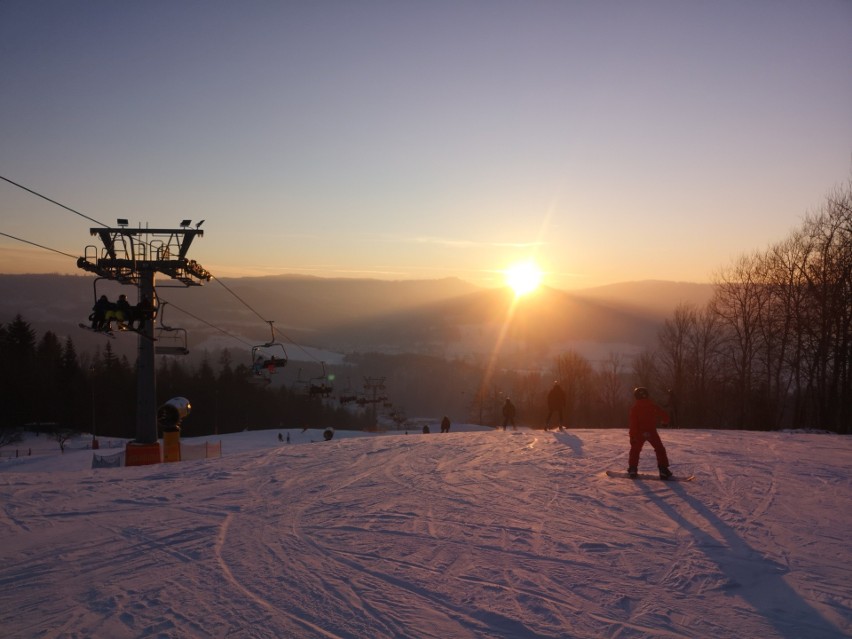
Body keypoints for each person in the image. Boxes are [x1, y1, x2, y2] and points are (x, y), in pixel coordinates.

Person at [627, 387, 672, 479]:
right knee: (659, 449)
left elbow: (633, 424)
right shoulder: (652, 406)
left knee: (635, 450)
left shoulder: (635, 408)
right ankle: (663, 470)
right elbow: (664, 414)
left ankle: (633, 469)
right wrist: (665, 422)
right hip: (651, 432)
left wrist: (632, 437)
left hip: (639, 433)